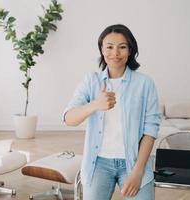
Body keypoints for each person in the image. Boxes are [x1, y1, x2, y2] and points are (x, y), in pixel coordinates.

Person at [63, 24, 162, 200]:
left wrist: (138, 173)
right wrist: (95, 105)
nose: (115, 53)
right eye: (109, 47)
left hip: (134, 163)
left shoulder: (145, 83)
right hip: (98, 163)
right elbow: (69, 118)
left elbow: (150, 131)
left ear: (130, 50)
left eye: (122, 47)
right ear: (102, 49)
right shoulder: (91, 81)